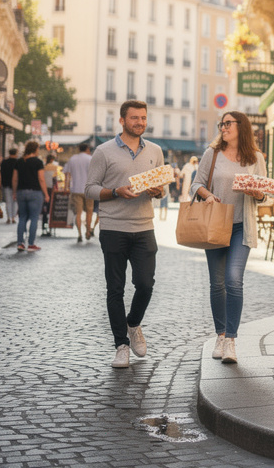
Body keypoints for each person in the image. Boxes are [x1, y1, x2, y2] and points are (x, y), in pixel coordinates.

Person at [84, 100, 165, 370]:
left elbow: (162, 188)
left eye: (143, 118)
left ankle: (133, 324)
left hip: (144, 227)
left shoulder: (155, 151)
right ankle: (121, 345)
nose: (140, 122)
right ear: (122, 121)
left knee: (145, 284)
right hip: (113, 227)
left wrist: (158, 191)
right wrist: (115, 192)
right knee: (115, 289)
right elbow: (90, 189)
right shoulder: (103, 151)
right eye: (134, 118)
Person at [188, 111, 268, 365]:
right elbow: (196, 184)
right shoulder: (211, 154)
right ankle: (220, 335)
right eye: (221, 124)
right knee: (217, 283)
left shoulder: (255, 157)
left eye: (228, 123)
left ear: (241, 127)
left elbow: (264, 192)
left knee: (234, 280)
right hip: (215, 224)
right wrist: (208, 195)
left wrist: (257, 193)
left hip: (242, 226)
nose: (223, 128)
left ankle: (231, 340)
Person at [14, 141, 48, 252]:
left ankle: (20, 243)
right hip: (35, 192)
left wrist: (14, 192)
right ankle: (31, 244)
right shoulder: (38, 162)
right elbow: (41, 179)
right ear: (35, 149)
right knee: (34, 218)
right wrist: (46, 194)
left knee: (22, 217)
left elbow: (15, 179)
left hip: (21, 192)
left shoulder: (19, 161)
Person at [65, 144, 95, 242]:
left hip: (76, 189)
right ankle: (88, 231)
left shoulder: (73, 159)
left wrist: (67, 187)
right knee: (89, 212)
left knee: (78, 213)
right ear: (87, 149)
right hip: (88, 189)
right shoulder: (90, 159)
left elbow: (67, 174)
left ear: (79, 149)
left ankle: (79, 234)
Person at [0, 148, 20, 223]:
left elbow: (1, 173)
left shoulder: (4, 162)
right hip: (17, 185)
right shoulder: (18, 162)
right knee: (15, 202)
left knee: (8, 202)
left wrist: (1, 183)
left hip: (6, 184)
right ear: (16, 153)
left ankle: (8, 218)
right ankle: (13, 217)